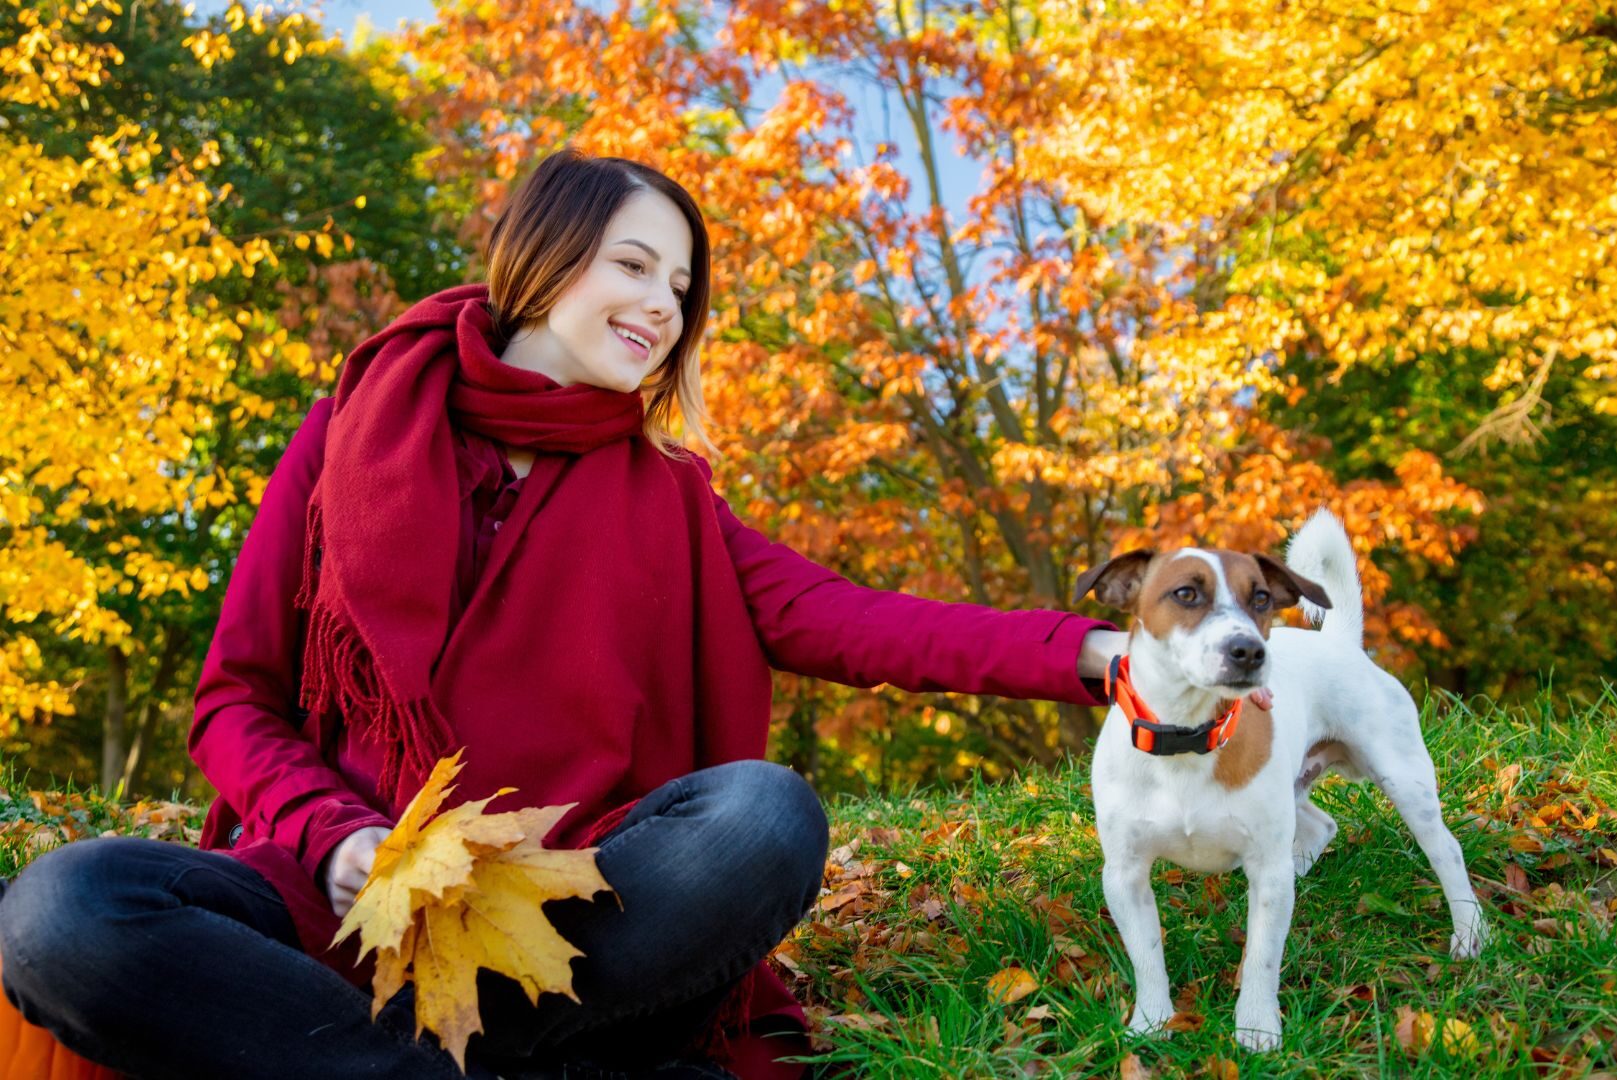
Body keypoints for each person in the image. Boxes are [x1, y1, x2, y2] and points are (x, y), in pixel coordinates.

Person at [0, 148, 1132, 1079]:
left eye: (681, 289)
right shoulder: (343, 430)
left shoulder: (672, 497)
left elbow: (853, 619)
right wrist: (337, 836)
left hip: (559, 920)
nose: (660, 306)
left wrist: (1097, 651)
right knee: (63, 909)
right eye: (634, 265)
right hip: (342, 899)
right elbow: (233, 701)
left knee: (765, 819)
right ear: (543, 260)